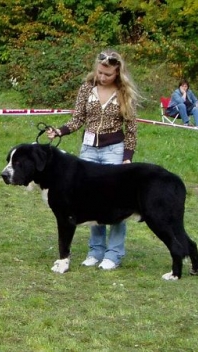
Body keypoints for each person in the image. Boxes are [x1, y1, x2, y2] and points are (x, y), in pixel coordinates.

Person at [46, 49, 141, 270]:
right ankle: (95, 251)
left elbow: (132, 130)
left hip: (113, 150)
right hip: (88, 150)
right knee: (90, 201)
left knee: (116, 202)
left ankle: (114, 253)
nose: (102, 77)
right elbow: (78, 118)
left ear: (118, 73)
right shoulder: (87, 88)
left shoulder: (124, 93)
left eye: (108, 74)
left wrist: (127, 158)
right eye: (100, 72)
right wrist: (59, 131)